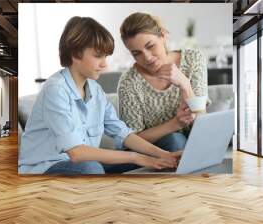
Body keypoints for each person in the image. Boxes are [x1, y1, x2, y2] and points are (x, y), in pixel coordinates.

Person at [19, 16, 181, 175]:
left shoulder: (95, 90)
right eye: (98, 56)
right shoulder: (56, 89)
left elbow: (123, 134)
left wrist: (163, 154)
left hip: (87, 165)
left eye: (105, 57)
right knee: (92, 169)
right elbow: (77, 153)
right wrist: (137, 157)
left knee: (158, 162)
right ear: (75, 54)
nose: (105, 64)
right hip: (46, 168)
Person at [118, 12, 210, 152]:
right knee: (174, 140)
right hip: (152, 151)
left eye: (150, 46)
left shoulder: (193, 60)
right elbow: (131, 141)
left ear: (163, 36)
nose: (147, 57)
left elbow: (203, 126)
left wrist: (185, 84)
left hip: (194, 144)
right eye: (137, 53)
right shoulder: (129, 82)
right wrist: (175, 124)